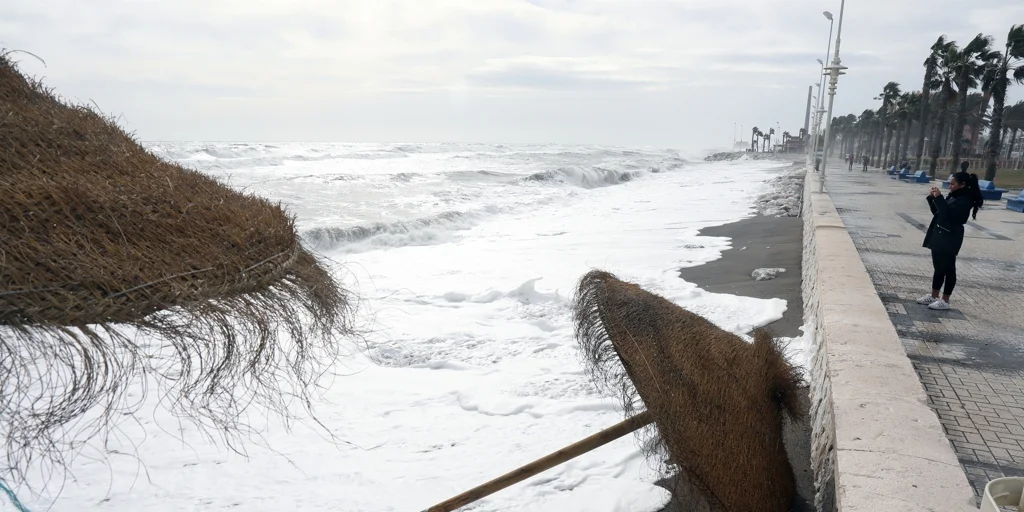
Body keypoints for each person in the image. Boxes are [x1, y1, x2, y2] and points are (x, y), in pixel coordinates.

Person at [917, 171, 984, 310]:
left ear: (963, 184)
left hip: (951, 236)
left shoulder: (964, 200)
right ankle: (934, 295)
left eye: (953, 184)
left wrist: (939, 198)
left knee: (948, 269)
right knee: (939, 267)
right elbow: (940, 213)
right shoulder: (954, 196)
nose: (950, 186)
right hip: (940, 234)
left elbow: (948, 215)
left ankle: (945, 300)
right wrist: (933, 198)